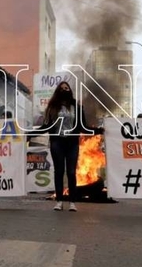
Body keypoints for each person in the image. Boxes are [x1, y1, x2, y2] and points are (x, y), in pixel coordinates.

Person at [28, 81, 103, 212]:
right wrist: (30, 134)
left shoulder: (77, 108)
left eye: (66, 88)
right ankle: (59, 201)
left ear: (70, 90)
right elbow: (46, 127)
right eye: (62, 88)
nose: (64, 90)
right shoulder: (52, 108)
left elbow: (82, 127)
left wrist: (97, 131)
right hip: (57, 142)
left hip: (72, 143)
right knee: (59, 172)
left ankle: (72, 202)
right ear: (58, 91)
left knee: (71, 172)